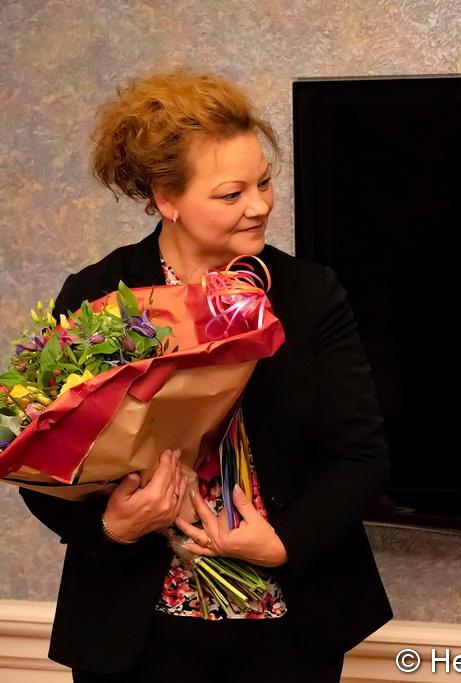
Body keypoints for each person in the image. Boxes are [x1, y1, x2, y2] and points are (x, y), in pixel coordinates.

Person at [19, 71, 392, 682]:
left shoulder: (309, 294)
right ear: (168, 198)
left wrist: (282, 542)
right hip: (133, 633)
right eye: (231, 193)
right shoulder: (98, 297)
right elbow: (42, 460)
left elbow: (363, 456)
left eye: (264, 182)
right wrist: (112, 526)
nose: (259, 205)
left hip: (290, 629)